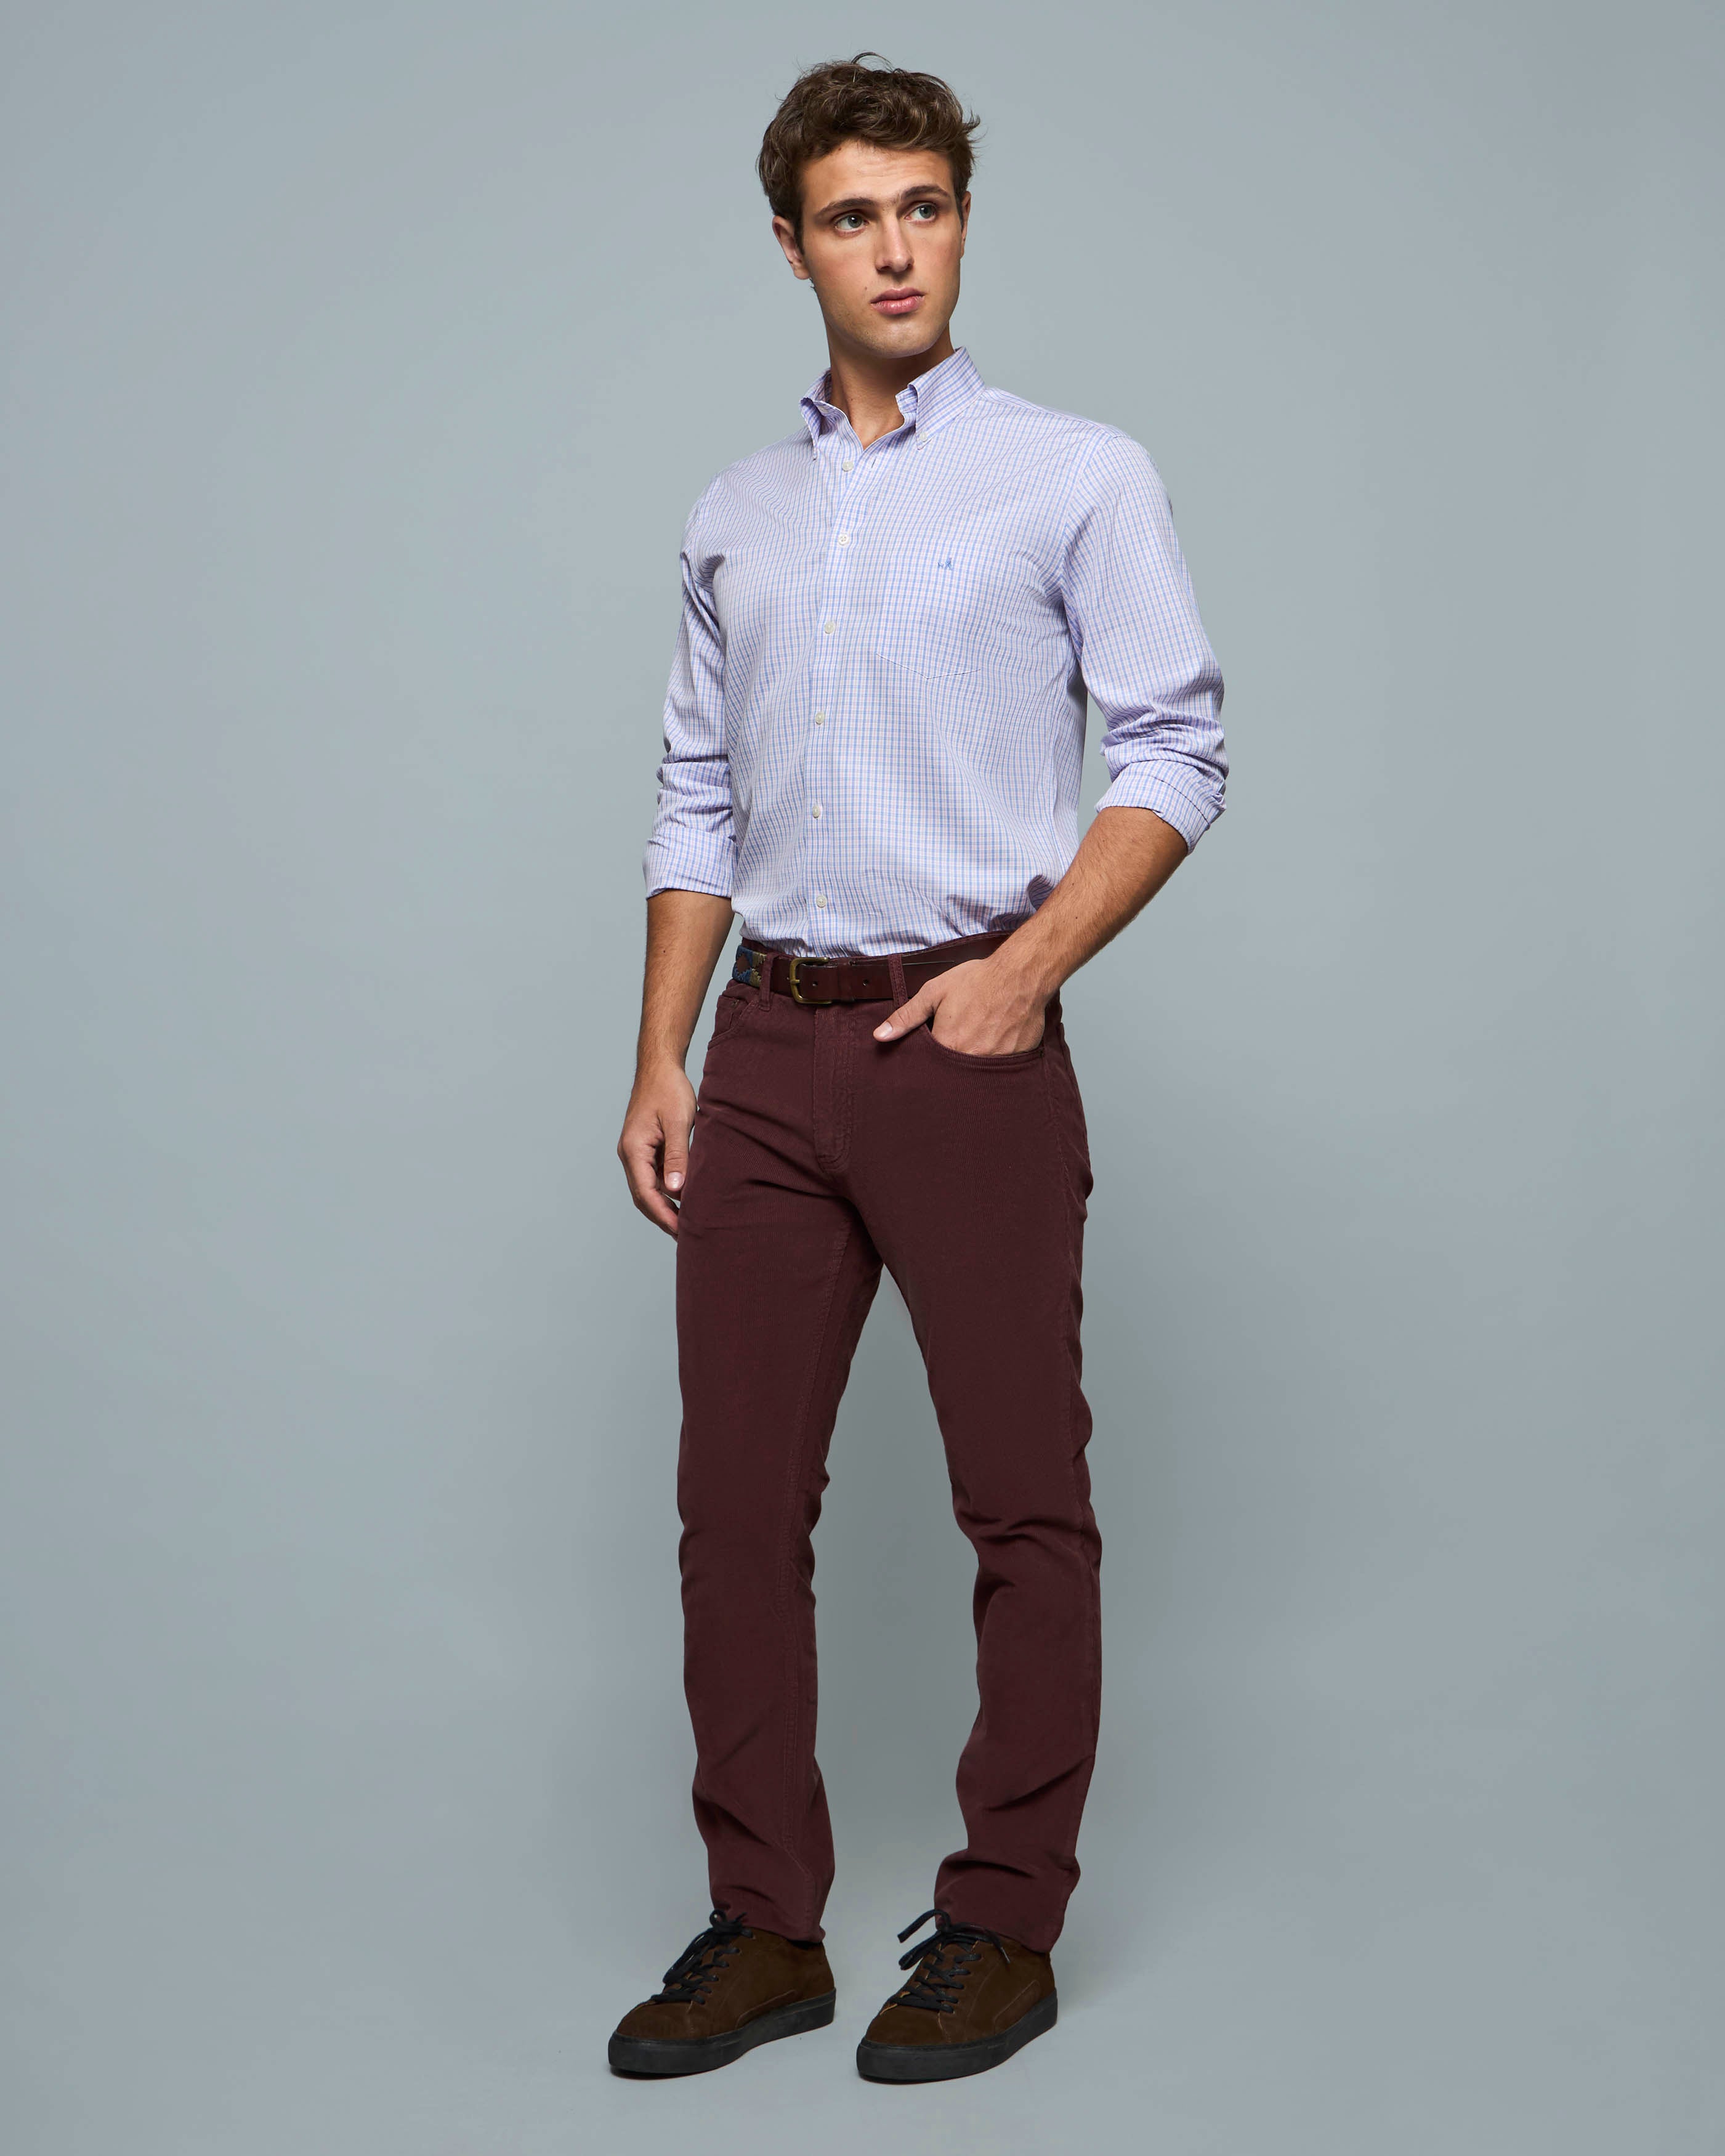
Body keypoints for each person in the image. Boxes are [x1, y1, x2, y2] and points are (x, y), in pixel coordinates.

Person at [610, 54, 1226, 2085]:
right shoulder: (736, 511)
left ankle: (1002, 1923)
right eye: (853, 216)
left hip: (965, 1047)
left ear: (961, 221)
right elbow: (696, 796)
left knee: (1020, 1503)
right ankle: (762, 1924)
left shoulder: (1073, 473)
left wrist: (1025, 968)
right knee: (728, 1509)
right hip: (763, 1052)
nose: (895, 249)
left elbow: (1175, 749)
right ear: (790, 243)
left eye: (925, 207)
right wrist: (663, 1055)